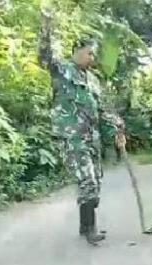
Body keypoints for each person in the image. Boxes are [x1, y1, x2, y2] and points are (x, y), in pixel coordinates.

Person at [39, 11, 120, 245]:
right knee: (88, 181)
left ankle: (86, 226)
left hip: (91, 139)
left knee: (96, 183)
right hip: (72, 137)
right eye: (90, 52)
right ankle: (90, 229)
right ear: (78, 51)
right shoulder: (62, 70)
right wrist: (47, 27)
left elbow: (103, 111)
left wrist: (117, 130)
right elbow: (44, 57)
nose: (92, 57)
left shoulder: (91, 80)